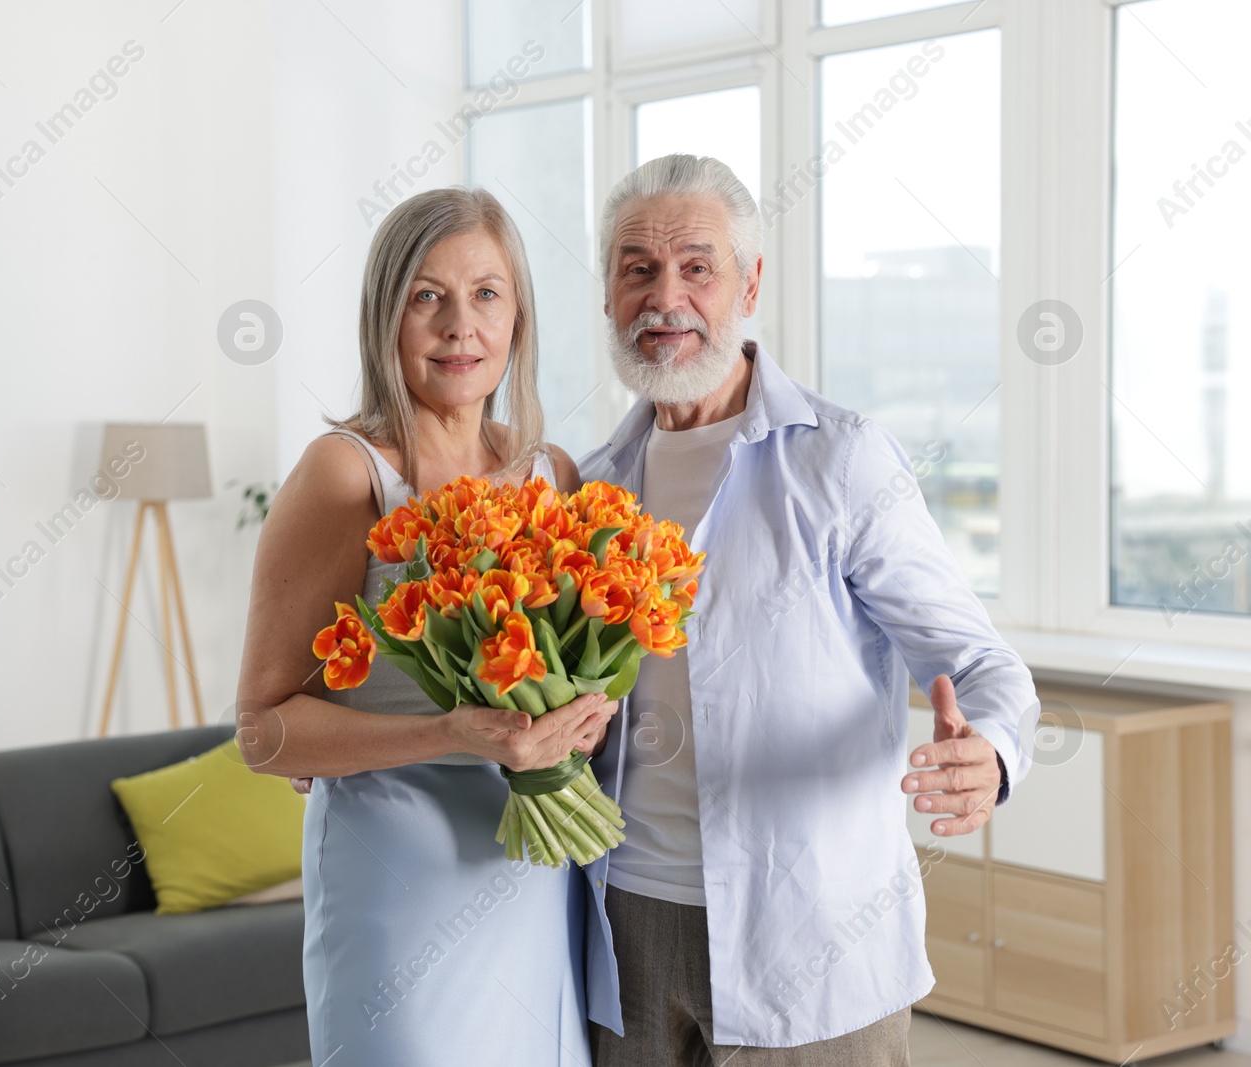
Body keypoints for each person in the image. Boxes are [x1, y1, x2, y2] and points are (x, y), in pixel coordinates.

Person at [579, 153, 1038, 1065]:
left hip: (814, 937)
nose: (665, 295)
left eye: (696, 267)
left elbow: (981, 663)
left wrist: (988, 751)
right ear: (607, 295)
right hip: (625, 926)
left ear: (750, 283)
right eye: (638, 268)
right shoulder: (591, 488)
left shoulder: (842, 460)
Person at [234, 186, 614, 1067]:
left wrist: (582, 723)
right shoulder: (346, 474)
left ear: (518, 317)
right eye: (426, 296)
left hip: (531, 878)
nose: (459, 326)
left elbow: (571, 672)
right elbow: (263, 730)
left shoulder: (548, 474)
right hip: (396, 881)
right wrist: (449, 731)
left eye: (486, 294)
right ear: (386, 317)